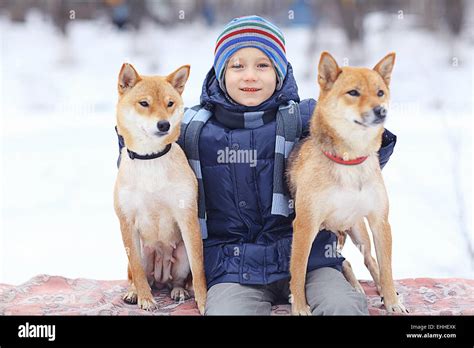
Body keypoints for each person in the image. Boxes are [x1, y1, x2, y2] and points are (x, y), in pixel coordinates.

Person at [117, 15, 397, 315]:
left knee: (343, 308)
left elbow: (363, 143)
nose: (250, 76)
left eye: (262, 65)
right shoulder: (192, 127)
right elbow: (143, 146)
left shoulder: (306, 118)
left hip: (310, 259)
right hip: (232, 267)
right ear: (221, 73)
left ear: (279, 72)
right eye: (237, 66)